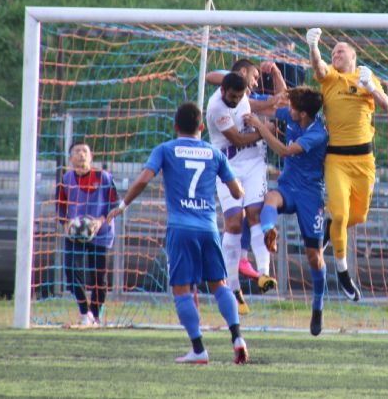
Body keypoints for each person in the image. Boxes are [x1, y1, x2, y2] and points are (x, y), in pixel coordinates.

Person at [106, 102, 248, 364]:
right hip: (208, 227)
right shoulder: (214, 154)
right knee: (220, 285)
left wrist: (123, 205)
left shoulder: (165, 149)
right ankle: (237, 337)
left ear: (175, 127)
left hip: (181, 228)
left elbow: (143, 179)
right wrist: (238, 186)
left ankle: (198, 349)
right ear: (202, 127)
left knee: (182, 290)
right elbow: (237, 192)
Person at [306, 27, 388, 301]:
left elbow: (386, 105)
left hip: (364, 161)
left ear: (354, 55)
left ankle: (329, 228)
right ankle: (342, 273)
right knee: (341, 216)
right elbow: (319, 68)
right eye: (333, 52)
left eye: (340, 50)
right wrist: (314, 47)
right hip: (337, 160)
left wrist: (372, 88)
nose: (336, 55)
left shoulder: (365, 76)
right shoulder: (331, 78)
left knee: (357, 217)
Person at [244, 86, 329, 336]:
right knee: (269, 198)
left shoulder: (318, 134)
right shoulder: (293, 116)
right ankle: (270, 232)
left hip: (310, 197)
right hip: (288, 187)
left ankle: (317, 305)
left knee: (314, 257)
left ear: (302, 114)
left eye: (292, 108)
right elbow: (268, 104)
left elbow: (283, 151)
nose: (287, 111)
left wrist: (260, 127)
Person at [205, 58, 285, 283]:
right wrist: (263, 130)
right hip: (229, 165)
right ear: (242, 73)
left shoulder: (248, 96)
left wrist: (276, 77)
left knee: (254, 214)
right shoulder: (219, 104)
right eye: (255, 77)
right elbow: (238, 139)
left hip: (254, 164)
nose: (257, 83)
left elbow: (280, 102)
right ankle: (230, 282)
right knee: (233, 222)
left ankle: (264, 274)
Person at [56, 141, 118, 327]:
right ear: (70, 158)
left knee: (99, 278)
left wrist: (99, 221)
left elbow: (114, 204)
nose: (81, 154)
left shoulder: (104, 177)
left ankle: (96, 316)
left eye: (85, 151)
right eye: (77, 151)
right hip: (75, 233)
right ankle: (85, 313)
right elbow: (60, 206)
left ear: (91, 156)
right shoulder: (66, 180)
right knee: (71, 271)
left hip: (100, 233)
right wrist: (66, 224)